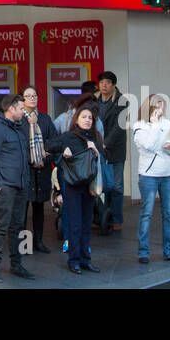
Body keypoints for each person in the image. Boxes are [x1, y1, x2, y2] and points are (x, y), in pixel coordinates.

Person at [47, 103, 105, 274]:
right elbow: (48, 145)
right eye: (84, 117)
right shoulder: (69, 136)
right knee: (75, 224)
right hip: (72, 185)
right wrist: (62, 149)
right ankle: (73, 260)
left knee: (87, 223)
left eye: (90, 118)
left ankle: (86, 259)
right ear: (76, 119)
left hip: (89, 186)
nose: (87, 120)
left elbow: (103, 157)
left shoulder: (96, 137)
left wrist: (96, 151)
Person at [0, 94, 36, 282]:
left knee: (18, 226)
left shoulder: (19, 128)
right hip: (6, 186)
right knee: (1, 226)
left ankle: (17, 264)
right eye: (21, 109)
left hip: (21, 184)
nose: (24, 112)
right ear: (11, 109)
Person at [132, 94, 170, 264]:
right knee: (146, 213)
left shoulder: (168, 124)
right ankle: (143, 252)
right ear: (149, 108)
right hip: (149, 175)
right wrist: (154, 126)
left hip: (168, 173)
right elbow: (148, 146)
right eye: (157, 107)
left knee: (168, 214)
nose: (160, 111)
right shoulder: (139, 126)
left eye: (162, 107)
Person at [20, 85, 55, 254]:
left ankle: (38, 242)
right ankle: (23, 245)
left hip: (42, 170)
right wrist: (31, 159)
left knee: (39, 207)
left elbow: (54, 142)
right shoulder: (19, 120)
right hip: (26, 170)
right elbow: (18, 146)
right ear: (22, 99)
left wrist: (44, 158)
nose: (32, 98)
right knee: (22, 209)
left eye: (35, 95)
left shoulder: (45, 119)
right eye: (28, 96)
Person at [94, 72, 130, 232]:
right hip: (97, 149)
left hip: (114, 149)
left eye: (107, 82)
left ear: (113, 85)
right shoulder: (93, 100)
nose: (104, 85)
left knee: (116, 186)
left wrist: (105, 143)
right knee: (101, 186)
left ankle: (116, 219)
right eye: (101, 82)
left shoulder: (122, 101)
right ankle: (102, 217)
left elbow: (119, 127)